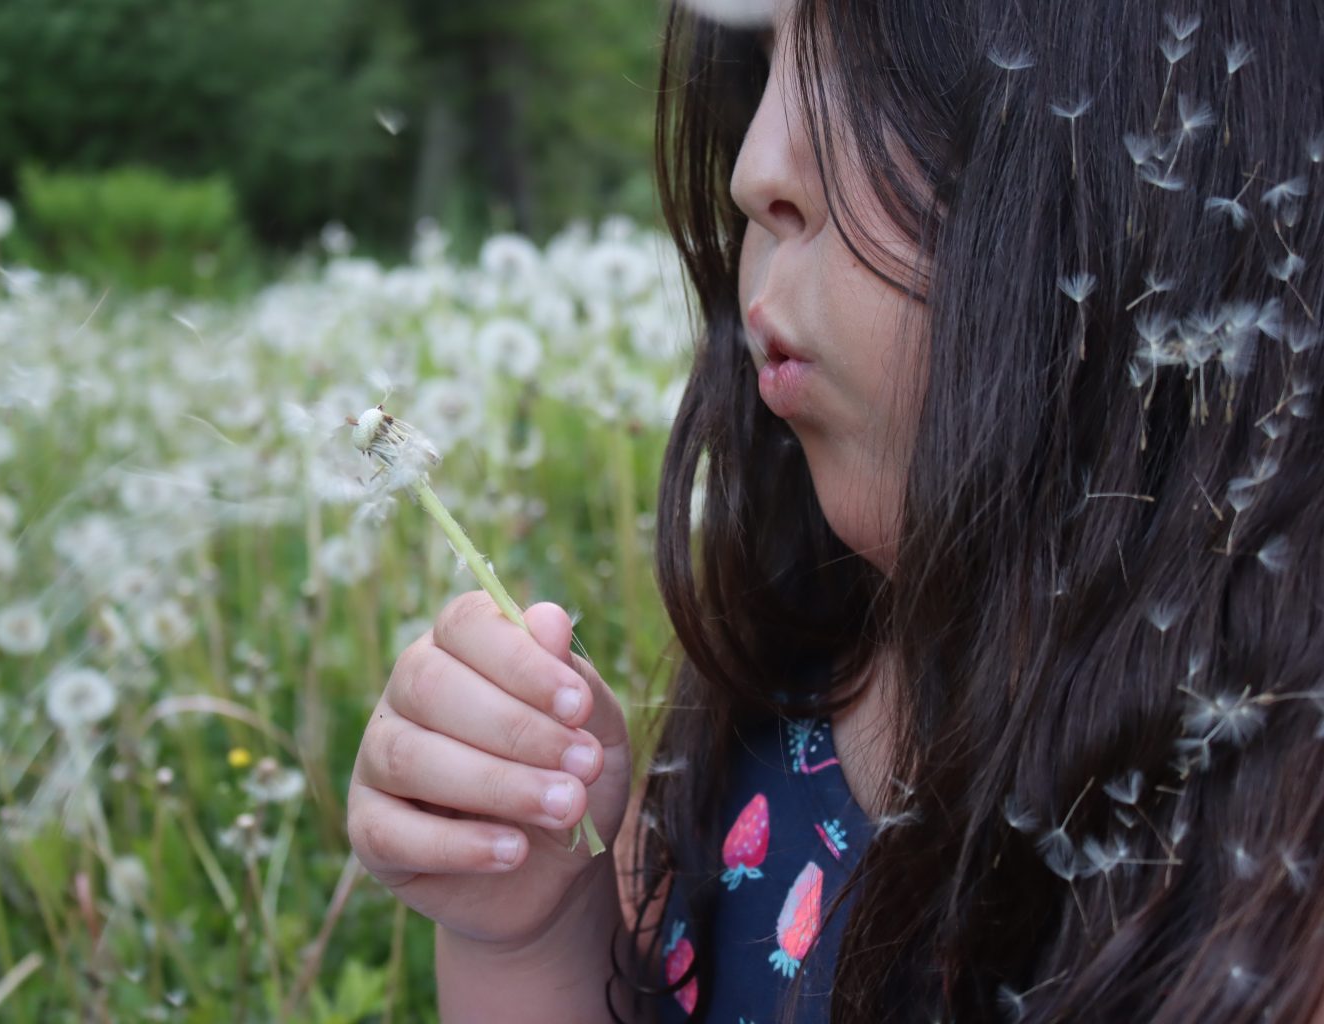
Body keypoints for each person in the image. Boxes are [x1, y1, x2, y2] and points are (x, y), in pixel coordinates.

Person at [347, 0, 1324, 1019]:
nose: (753, 170)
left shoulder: (1277, 884)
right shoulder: (770, 700)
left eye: (868, 67)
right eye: (764, 65)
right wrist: (526, 931)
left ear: (1167, 144)